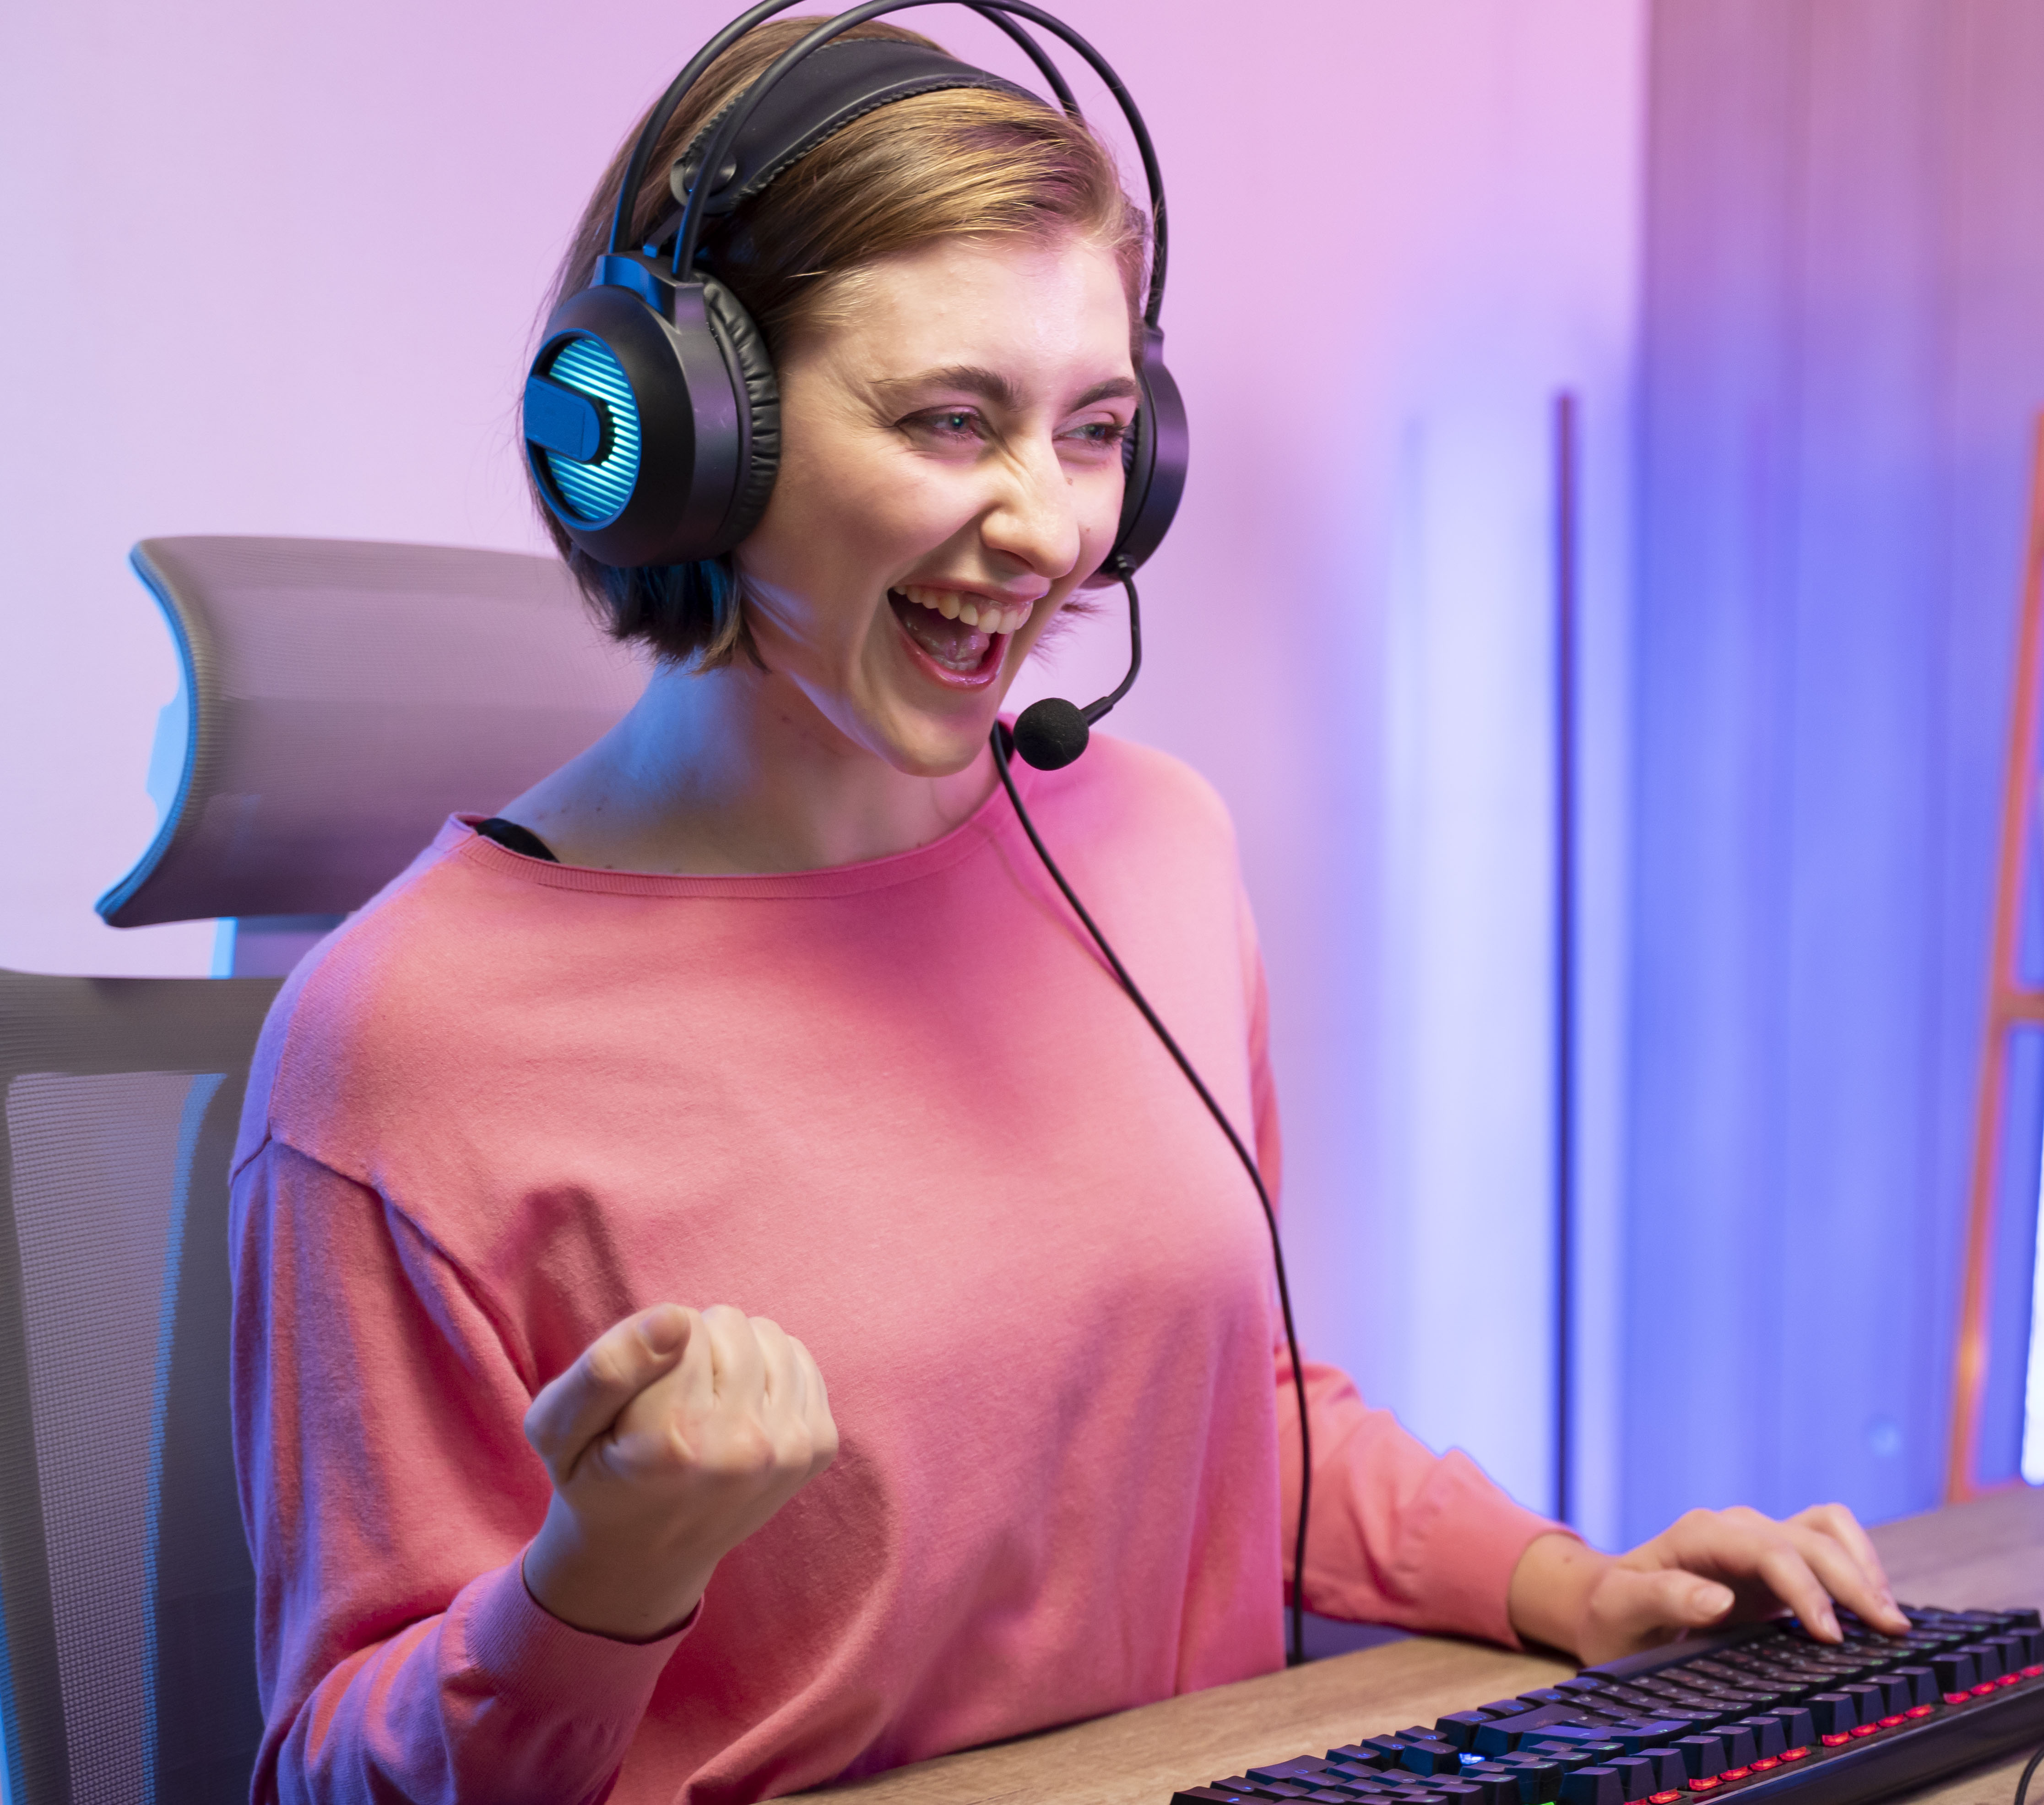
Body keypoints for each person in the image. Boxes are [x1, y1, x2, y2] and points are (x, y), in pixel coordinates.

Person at [229, 16, 1902, 1805]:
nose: (1051, 528)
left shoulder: (1156, 854)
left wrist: (1577, 1581)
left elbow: (1232, 1414)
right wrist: (604, 1575)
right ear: (678, 436)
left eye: (1097, 429)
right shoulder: (402, 1046)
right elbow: (333, 1767)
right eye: (953, 419)